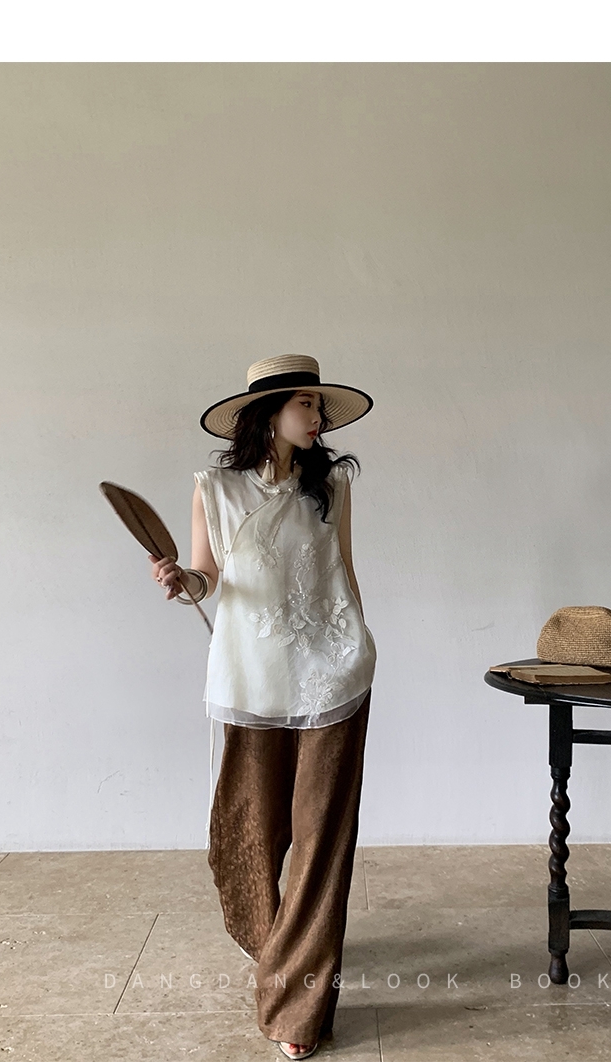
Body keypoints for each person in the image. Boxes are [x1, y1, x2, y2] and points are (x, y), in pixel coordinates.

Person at [149, 354, 376, 1060]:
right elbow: (206, 577)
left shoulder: (331, 484)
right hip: (251, 682)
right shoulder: (213, 488)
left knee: (320, 840)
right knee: (245, 832)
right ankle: (277, 944)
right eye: (305, 403)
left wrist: (363, 645)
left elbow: (345, 571)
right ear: (267, 414)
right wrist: (180, 581)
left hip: (333, 677)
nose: (318, 417)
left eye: (319, 404)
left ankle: (296, 1008)